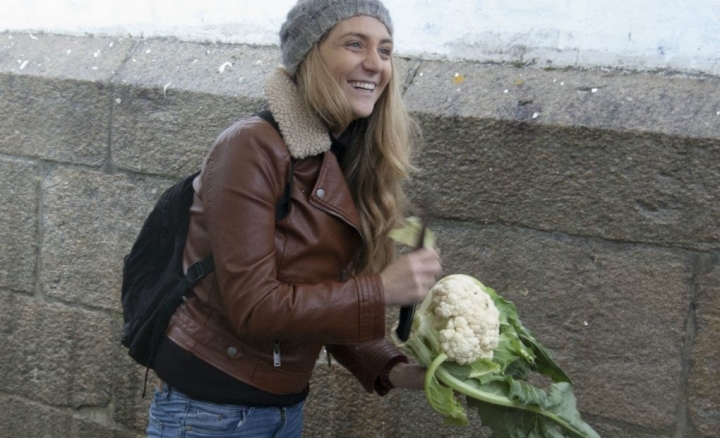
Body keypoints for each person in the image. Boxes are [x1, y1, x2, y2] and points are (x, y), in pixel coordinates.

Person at [146, 0, 442, 436]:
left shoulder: (347, 154)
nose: (374, 64)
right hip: (210, 414)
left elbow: (319, 296)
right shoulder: (251, 148)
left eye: (385, 49)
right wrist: (382, 289)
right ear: (310, 55)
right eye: (354, 43)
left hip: (281, 413)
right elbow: (256, 308)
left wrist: (397, 370)